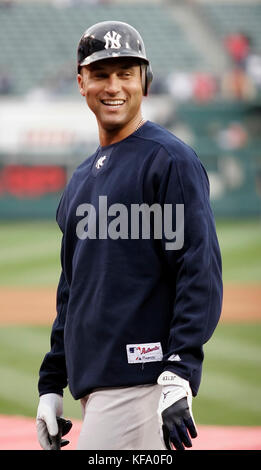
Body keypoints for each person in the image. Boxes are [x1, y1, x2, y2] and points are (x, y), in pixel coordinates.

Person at [36, 20, 223, 451]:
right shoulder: (81, 179)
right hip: (98, 389)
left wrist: (180, 368)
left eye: (126, 74)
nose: (114, 86)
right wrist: (52, 383)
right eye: (101, 74)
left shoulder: (169, 160)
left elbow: (199, 268)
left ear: (146, 81)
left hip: (144, 385)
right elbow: (74, 289)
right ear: (81, 82)